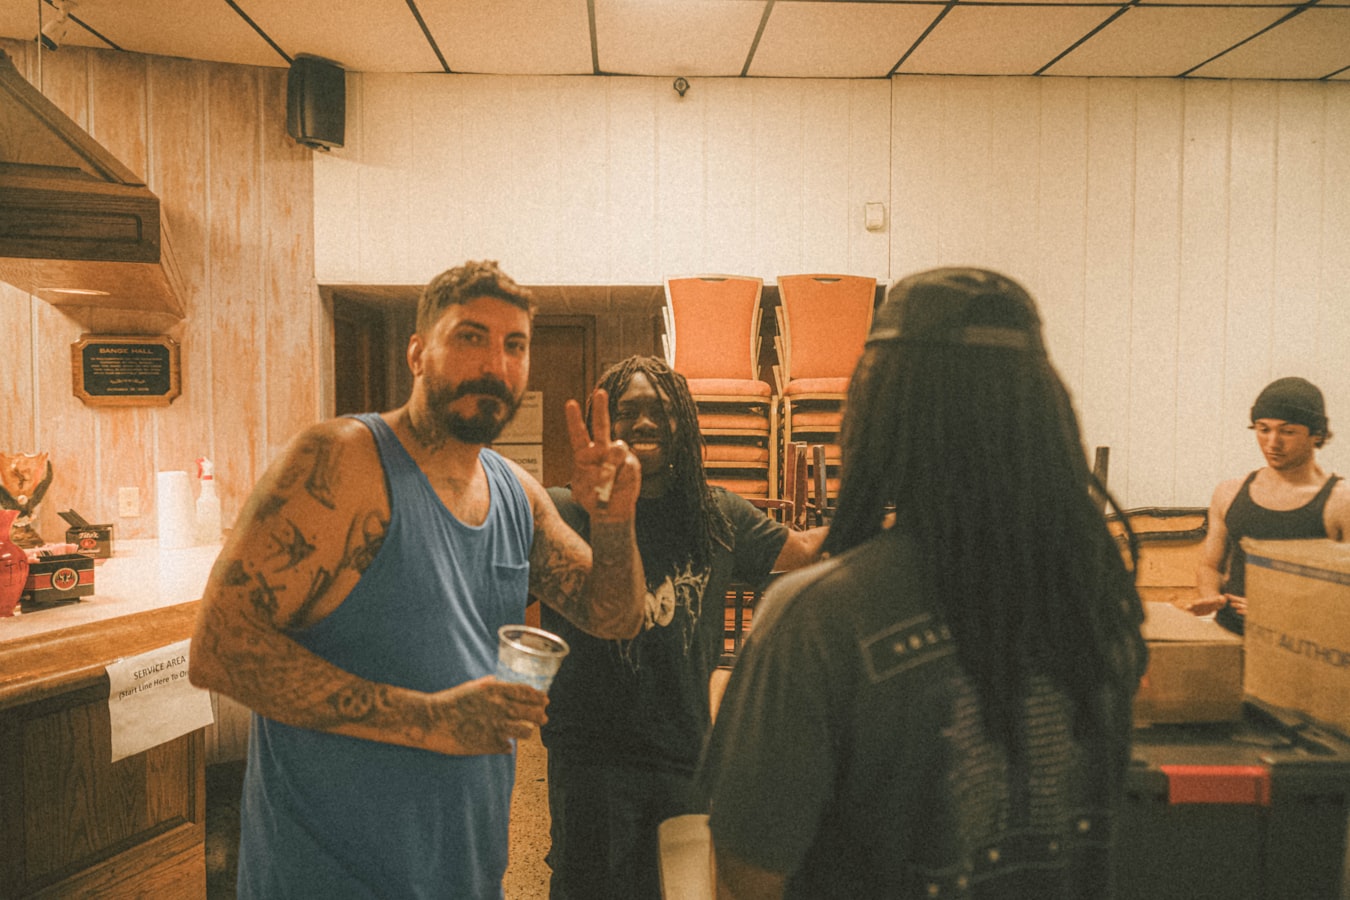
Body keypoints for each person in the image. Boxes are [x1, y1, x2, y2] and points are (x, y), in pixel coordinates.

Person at [188, 260, 647, 899]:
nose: (495, 363)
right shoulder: (340, 461)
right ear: (417, 352)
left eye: (514, 345)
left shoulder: (517, 492)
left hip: (461, 871)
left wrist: (616, 521)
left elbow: (615, 615)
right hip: (326, 876)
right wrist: (430, 719)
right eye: (470, 337)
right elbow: (218, 651)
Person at [697, 267, 1148, 899]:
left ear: (878, 416)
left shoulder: (819, 620)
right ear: (1045, 416)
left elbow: (747, 881)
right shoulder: (1096, 604)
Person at [539, 355, 828, 899]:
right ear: (609, 422)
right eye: (628, 411)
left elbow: (804, 551)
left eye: (661, 411)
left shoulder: (715, 514)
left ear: (684, 426)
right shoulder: (562, 512)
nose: (645, 423)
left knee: (679, 890)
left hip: (682, 758)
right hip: (589, 763)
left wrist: (890, 517)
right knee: (585, 887)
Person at [1189, 376, 1349, 634]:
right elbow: (1209, 566)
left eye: (1287, 431)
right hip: (1232, 638)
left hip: (1303, 649)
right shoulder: (1229, 493)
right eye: (1263, 429)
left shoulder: (1340, 503)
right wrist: (1211, 596)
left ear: (1315, 434)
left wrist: (1281, 613)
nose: (1273, 442)